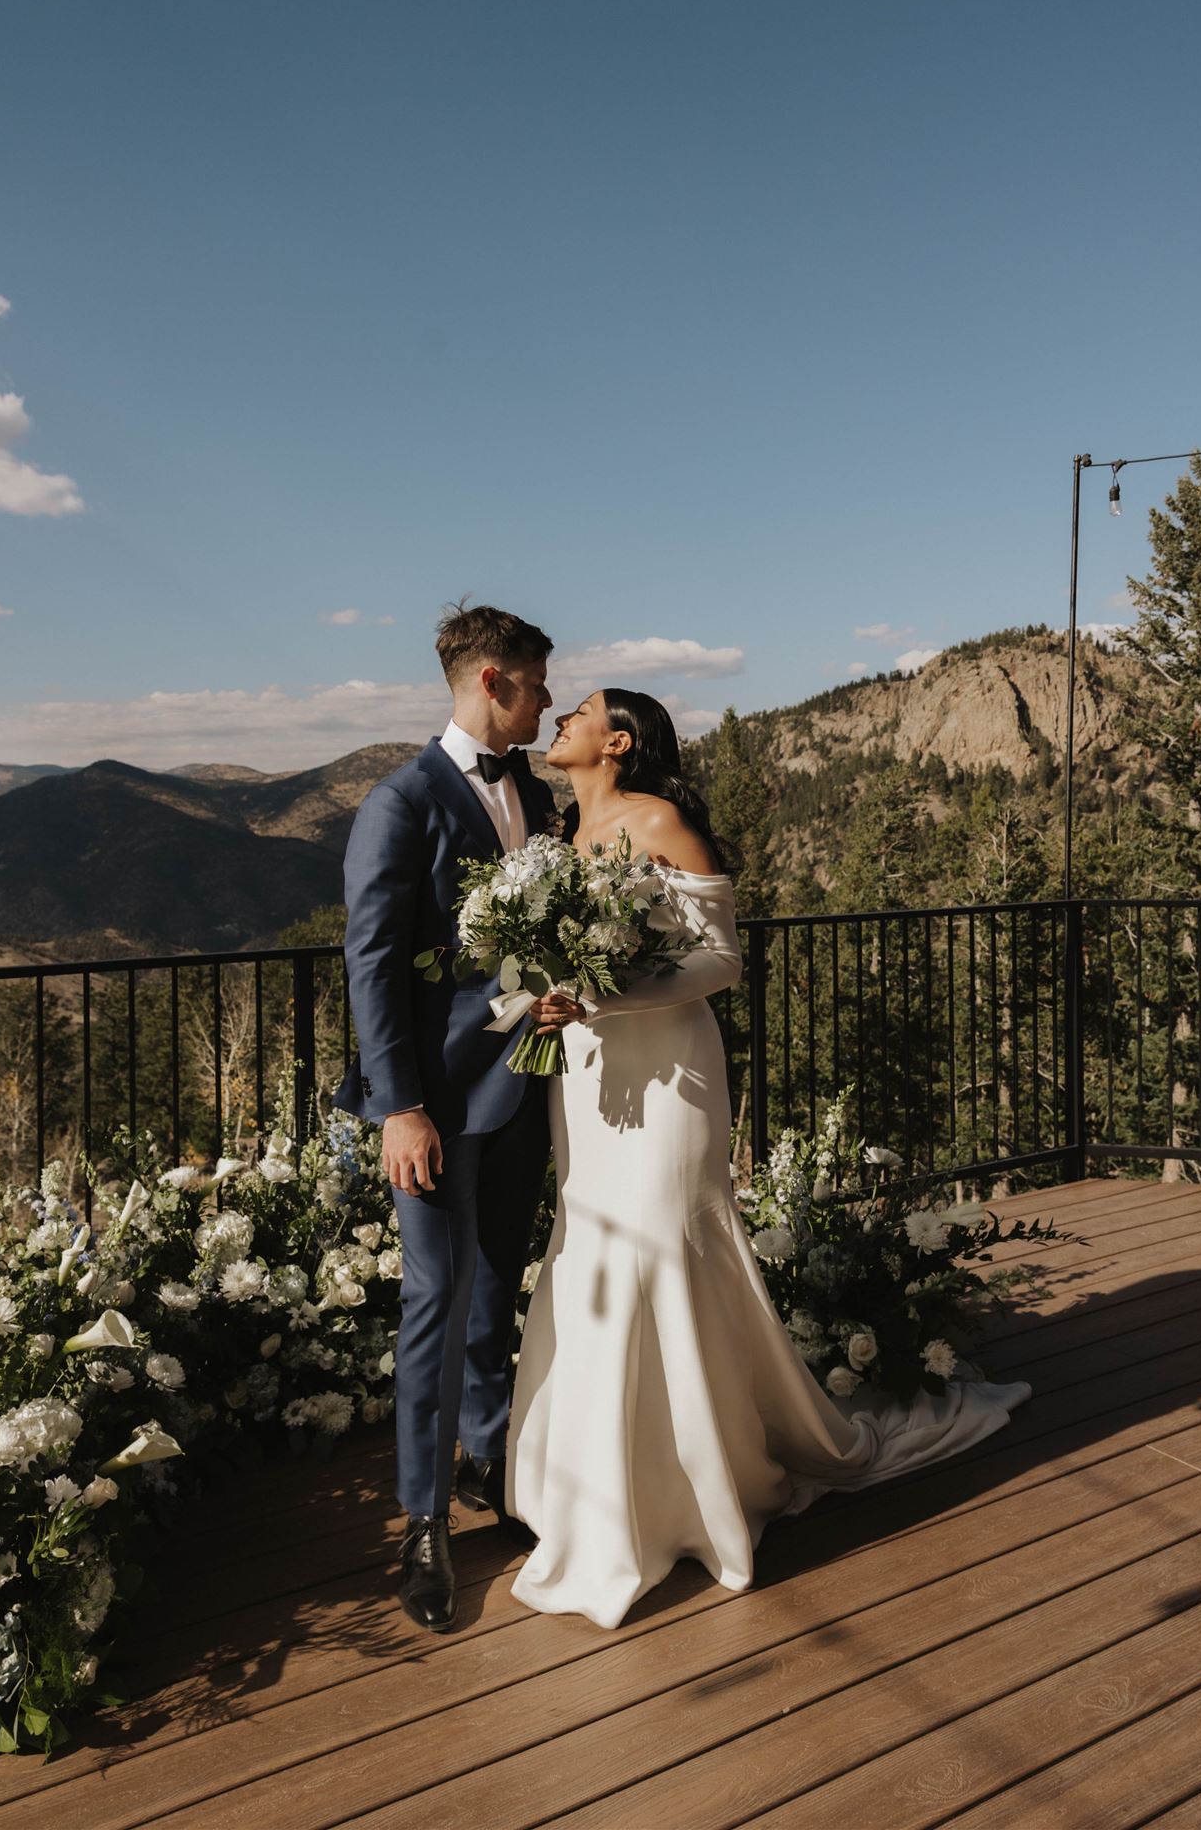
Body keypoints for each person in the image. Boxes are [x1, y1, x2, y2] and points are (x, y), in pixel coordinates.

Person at [504, 687, 1032, 1630]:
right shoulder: (554, 843)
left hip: (667, 1072)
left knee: (665, 1245)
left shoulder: (658, 820)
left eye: (575, 714)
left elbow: (718, 961)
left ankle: (698, 1480)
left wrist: (603, 998)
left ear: (616, 742)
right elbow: (552, 960)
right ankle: (599, 1489)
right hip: (584, 1077)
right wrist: (540, 998)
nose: (559, 725)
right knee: (589, 1245)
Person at [334, 602, 558, 1633]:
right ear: (490, 679)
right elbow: (374, 968)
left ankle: (487, 1460)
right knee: (434, 1294)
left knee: (496, 1282)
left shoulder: (539, 797)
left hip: (523, 1085)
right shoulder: (401, 801)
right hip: (433, 1106)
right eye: (536, 681)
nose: (548, 699)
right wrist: (401, 1108)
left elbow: (521, 943)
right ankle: (422, 1519)